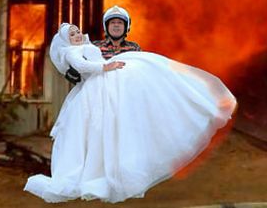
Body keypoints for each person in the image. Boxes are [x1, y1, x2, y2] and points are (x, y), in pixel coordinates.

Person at [24, 22, 237, 203]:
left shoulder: (98, 45)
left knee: (143, 80)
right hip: (96, 87)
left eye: (78, 31)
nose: (78, 35)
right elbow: (81, 66)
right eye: (72, 34)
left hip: (106, 84)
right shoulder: (71, 52)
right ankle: (100, 170)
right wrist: (106, 68)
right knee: (98, 129)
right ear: (66, 41)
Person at [63, 5, 141, 85]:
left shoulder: (134, 48)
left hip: (126, 89)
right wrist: (75, 71)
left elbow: (139, 72)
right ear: (106, 27)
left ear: (126, 27)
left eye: (120, 22)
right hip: (99, 92)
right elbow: (75, 75)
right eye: (112, 22)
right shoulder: (93, 46)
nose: (116, 25)